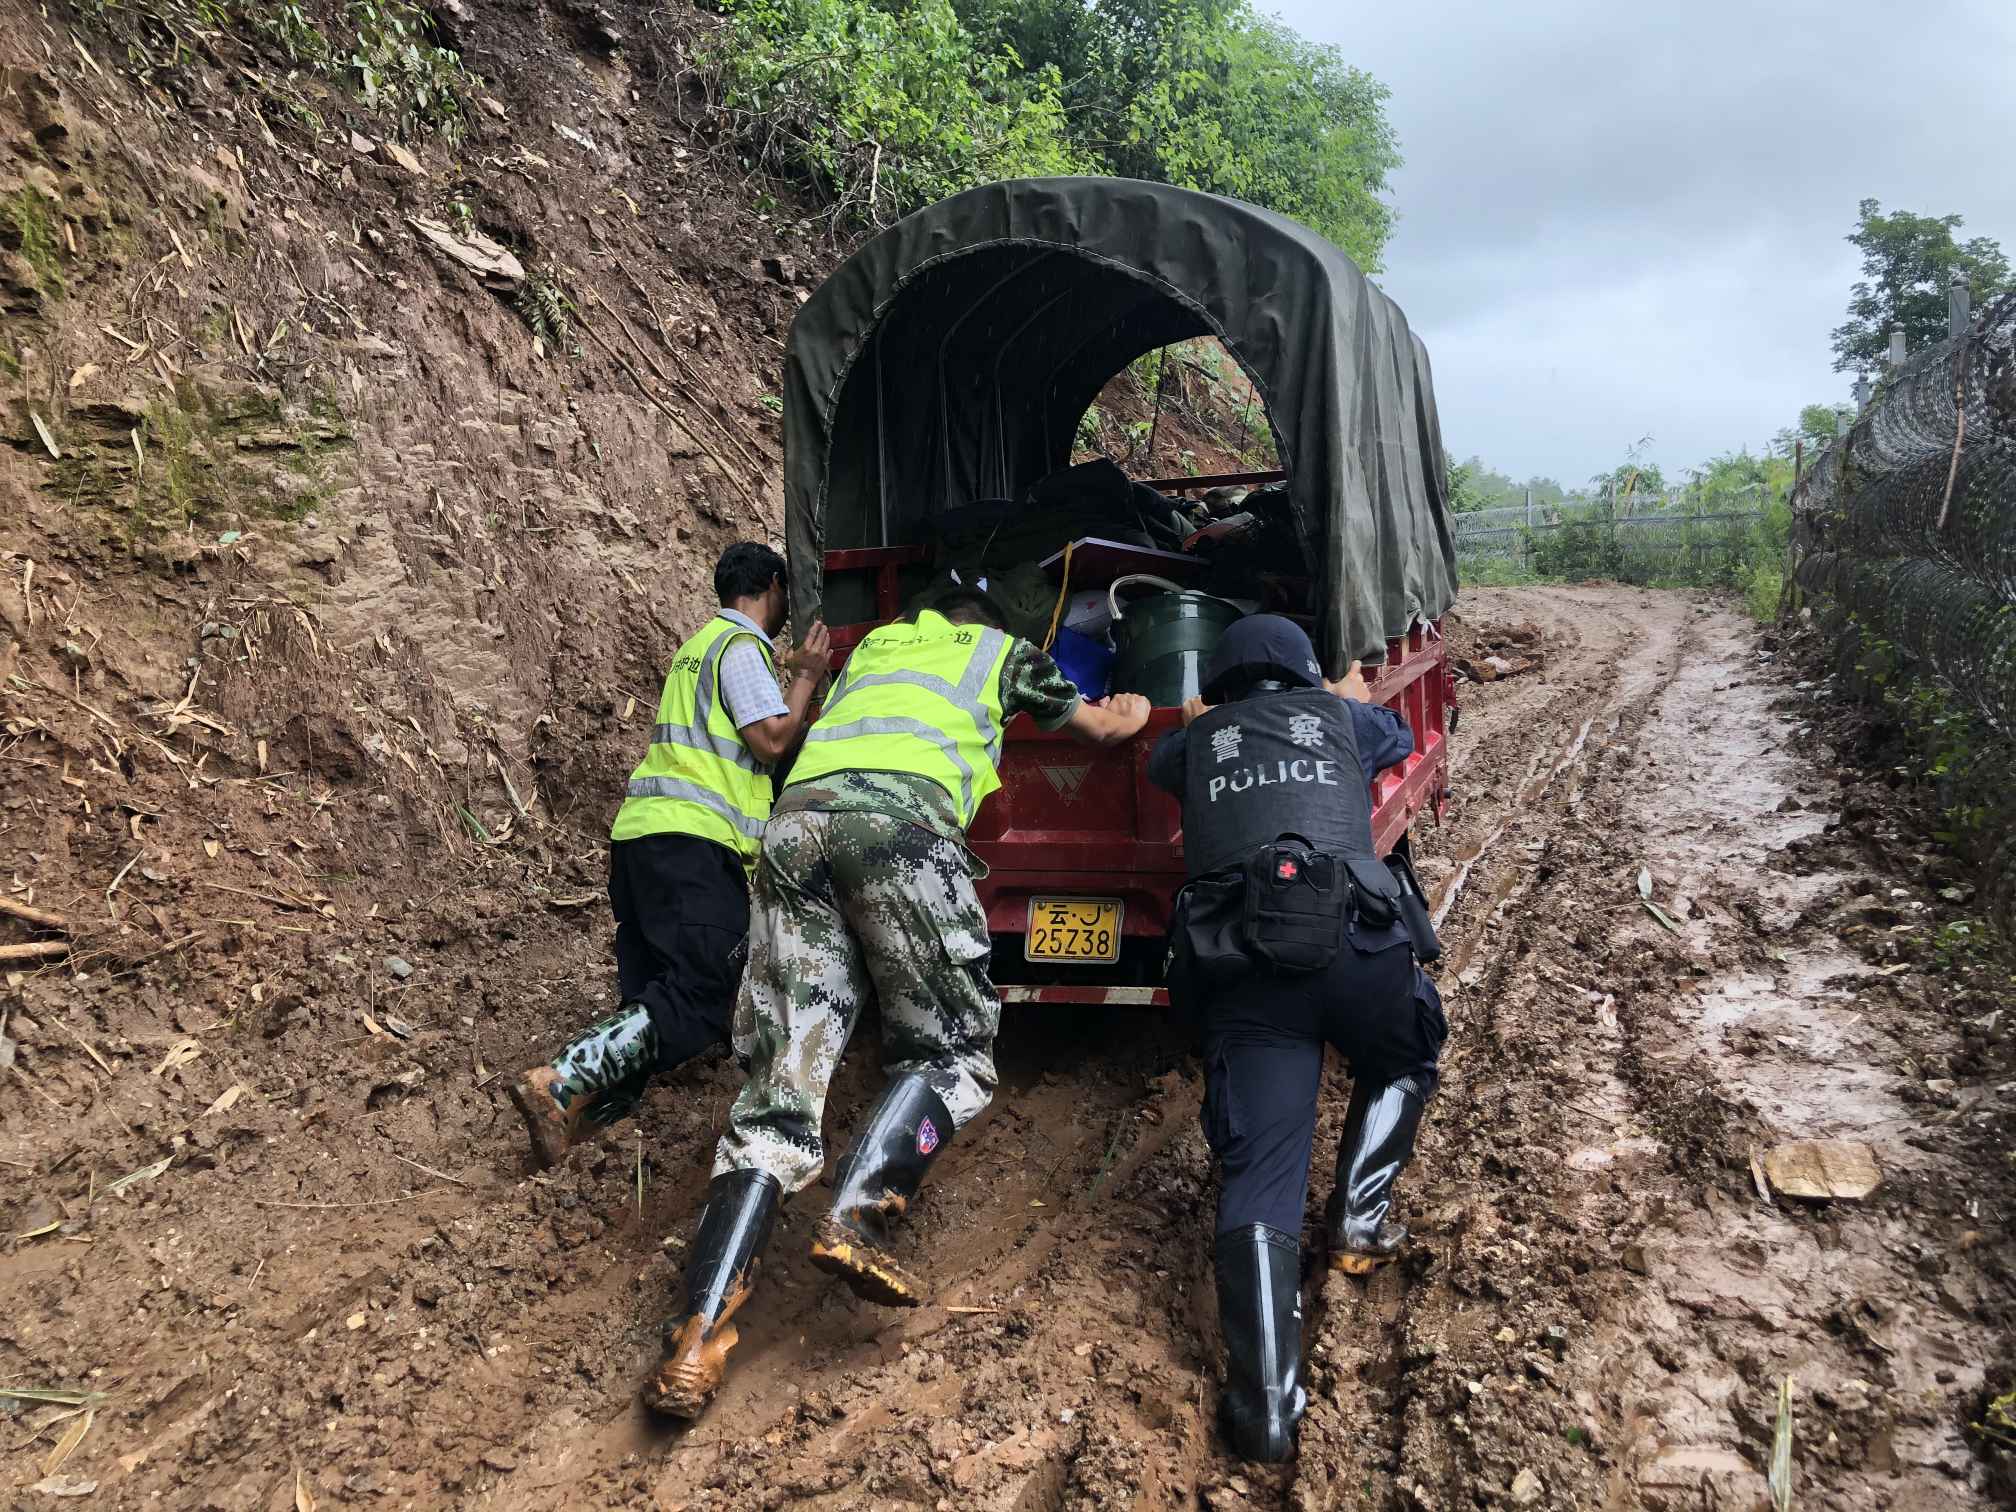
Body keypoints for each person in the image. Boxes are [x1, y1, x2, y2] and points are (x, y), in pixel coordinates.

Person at [643, 581, 1152, 1419]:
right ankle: (856, 1213)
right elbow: (1098, 728)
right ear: (982, 623)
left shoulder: (873, 652)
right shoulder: (999, 650)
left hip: (795, 830)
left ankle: (695, 1341)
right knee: (951, 1050)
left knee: (780, 1091)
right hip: (900, 829)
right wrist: (1134, 713)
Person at [1146, 614, 1445, 1463]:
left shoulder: (1193, 745)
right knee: (1406, 1055)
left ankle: (1265, 1410)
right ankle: (1359, 1218)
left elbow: (1163, 763)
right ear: (1306, 673)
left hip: (1245, 972)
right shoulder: (1339, 719)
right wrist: (1338, 696)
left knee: (1261, 1174)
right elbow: (1395, 734)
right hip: (1355, 949)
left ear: (1221, 683)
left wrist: (1203, 720)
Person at [509, 543, 830, 1167]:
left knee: (654, 993)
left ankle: (576, 1121)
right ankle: (562, 1081)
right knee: (702, 989)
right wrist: (808, 677)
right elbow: (770, 740)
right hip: (693, 842)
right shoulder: (740, 646)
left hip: (644, 839)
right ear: (772, 585)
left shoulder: (698, 647)